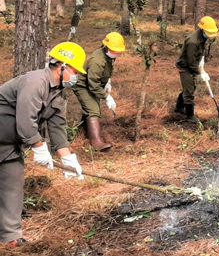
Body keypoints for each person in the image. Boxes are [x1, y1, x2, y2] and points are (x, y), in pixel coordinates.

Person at [0, 42, 87, 246]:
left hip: (9, 146)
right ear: (62, 66)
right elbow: (25, 120)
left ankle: (10, 237)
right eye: (75, 70)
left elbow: (58, 127)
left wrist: (68, 159)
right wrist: (39, 147)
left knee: (12, 184)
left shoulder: (57, 93)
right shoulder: (35, 82)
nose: (76, 76)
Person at [71, 32, 125, 151]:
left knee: (89, 110)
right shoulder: (98, 60)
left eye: (118, 51)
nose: (116, 53)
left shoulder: (107, 56)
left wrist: (107, 82)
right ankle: (96, 143)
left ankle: (77, 134)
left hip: (92, 84)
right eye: (114, 50)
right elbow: (93, 84)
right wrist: (106, 97)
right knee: (93, 110)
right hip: (83, 85)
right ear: (106, 46)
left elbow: (103, 73)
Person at [173, 16, 218, 122]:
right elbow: (191, 62)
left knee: (190, 87)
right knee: (189, 91)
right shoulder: (193, 42)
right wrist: (200, 72)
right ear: (202, 29)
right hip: (185, 67)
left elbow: (200, 52)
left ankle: (179, 107)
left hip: (192, 65)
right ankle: (190, 116)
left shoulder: (202, 37)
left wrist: (202, 60)